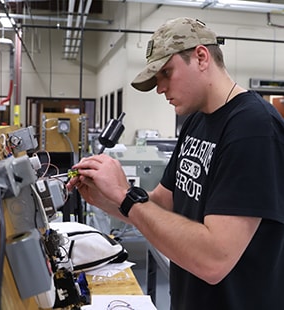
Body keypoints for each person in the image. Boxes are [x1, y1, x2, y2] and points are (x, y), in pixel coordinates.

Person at [67, 17, 284, 309]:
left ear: (201, 57)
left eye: (166, 73)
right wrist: (104, 197)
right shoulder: (195, 121)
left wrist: (124, 193)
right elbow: (160, 204)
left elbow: (214, 259)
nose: (160, 88)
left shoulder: (253, 128)